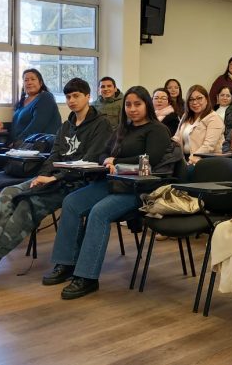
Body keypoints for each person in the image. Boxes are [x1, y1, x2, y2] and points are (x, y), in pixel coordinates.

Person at [0, 78, 112, 280]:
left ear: (88, 96)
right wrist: (43, 175)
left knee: (27, 204)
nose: (71, 100)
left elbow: (89, 160)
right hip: (54, 179)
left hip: (78, 183)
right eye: (68, 97)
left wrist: (55, 178)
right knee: (9, 192)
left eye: (76, 96)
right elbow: (54, 156)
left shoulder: (101, 125)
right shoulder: (66, 126)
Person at [43, 86, 175, 299]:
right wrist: (107, 160)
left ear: (147, 105)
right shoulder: (123, 128)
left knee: (99, 212)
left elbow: (151, 159)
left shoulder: (157, 129)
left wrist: (117, 161)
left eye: (138, 104)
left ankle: (87, 277)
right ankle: (66, 263)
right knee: (71, 202)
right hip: (113, 182)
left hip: (138, 188)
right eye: (128, 104)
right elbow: (104, 152)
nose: (132, 109)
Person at [173, 85, 225, 165]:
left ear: (206, 99)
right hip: (184, 160)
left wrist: (191, 161)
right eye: (191, 99)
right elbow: (176, 138)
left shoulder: (214, 118)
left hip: (205, 161)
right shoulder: (186, 116)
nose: (195, 102)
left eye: (199, 98)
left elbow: (209, 145)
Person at [8, 69, 61, 146]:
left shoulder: (45, 97)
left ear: (40, 83)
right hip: (20, 145)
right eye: (26, 80)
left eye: (33, 79)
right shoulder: (22, 102)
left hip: (38, 145)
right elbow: (17, 126)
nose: (29, 82)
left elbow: (37, 126)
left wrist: (18, 142)